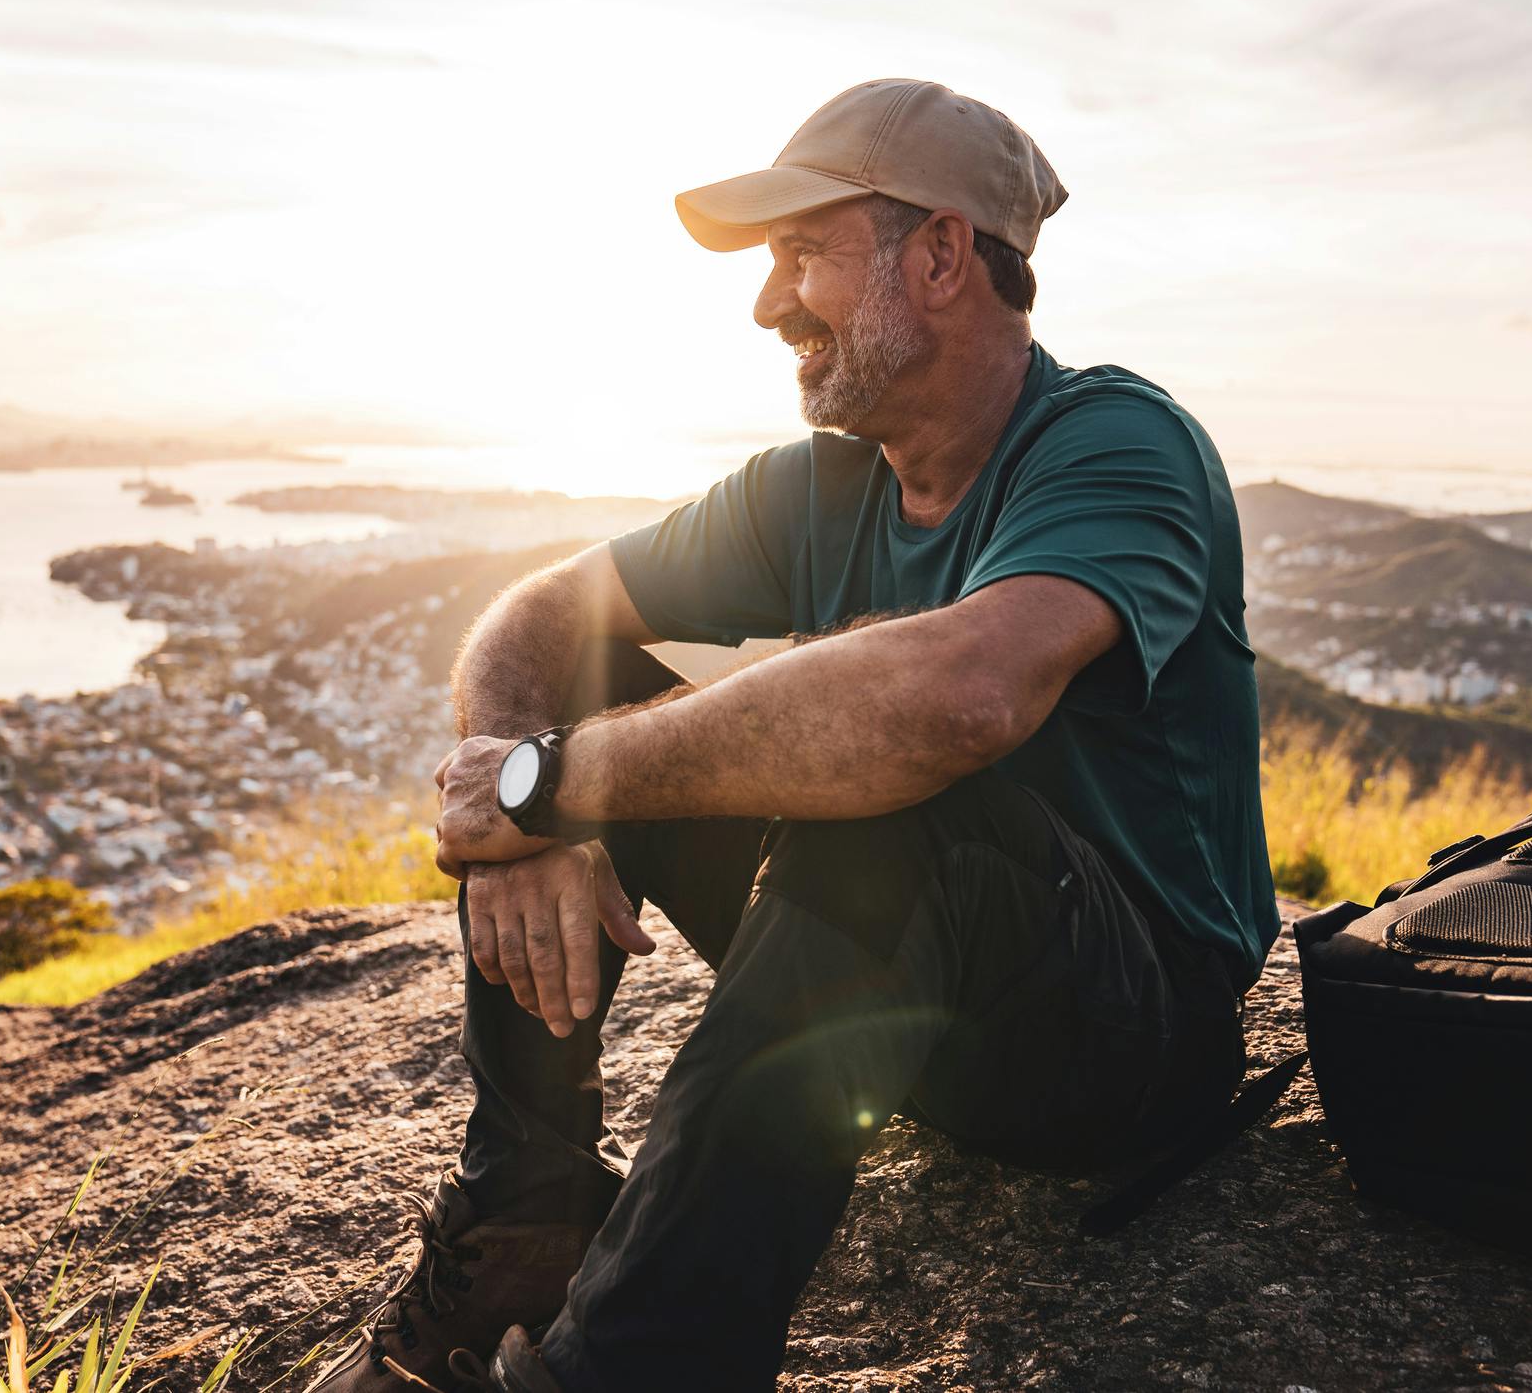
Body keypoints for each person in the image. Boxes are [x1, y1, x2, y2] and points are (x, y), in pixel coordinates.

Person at [307, 78, 1278, 1393]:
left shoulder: (1117, 444)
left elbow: (961, 698)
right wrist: (531, 800)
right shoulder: (814, 489)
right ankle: (527, 1211)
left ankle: (640, 1369)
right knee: (575, 710)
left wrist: (550, 783)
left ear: (940, 255)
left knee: (882, 788)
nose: (770, 304)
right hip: (923, 1013)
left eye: (805, 254)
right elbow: (537, 614)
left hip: (1129, 1043)